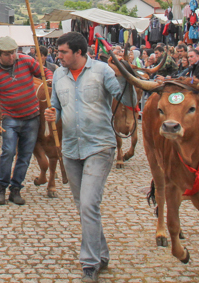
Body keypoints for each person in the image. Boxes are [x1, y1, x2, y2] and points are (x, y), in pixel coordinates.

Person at [45, 32, 122, 283]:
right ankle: (102, 253)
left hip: (99, 146)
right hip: (70, 148)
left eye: (63, 52)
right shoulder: (58, 75)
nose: (59, 56)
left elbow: (120, 94)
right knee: (84, 207)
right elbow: (56, 107)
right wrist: (51, 114)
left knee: (89, 204)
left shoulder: (101, 71)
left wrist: (128, 76)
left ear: (79, 52)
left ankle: (89, 263)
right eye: (59, 52)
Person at [0, 36, 52, 205]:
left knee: (25, 155)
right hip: (10, 118)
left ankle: (15, 189)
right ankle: (1, 187)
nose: (12, 56)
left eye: (14, 52)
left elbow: (43, 72)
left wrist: (50, 79)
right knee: (8, 152)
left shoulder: (26, 61)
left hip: (32, 117)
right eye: (8, 54)